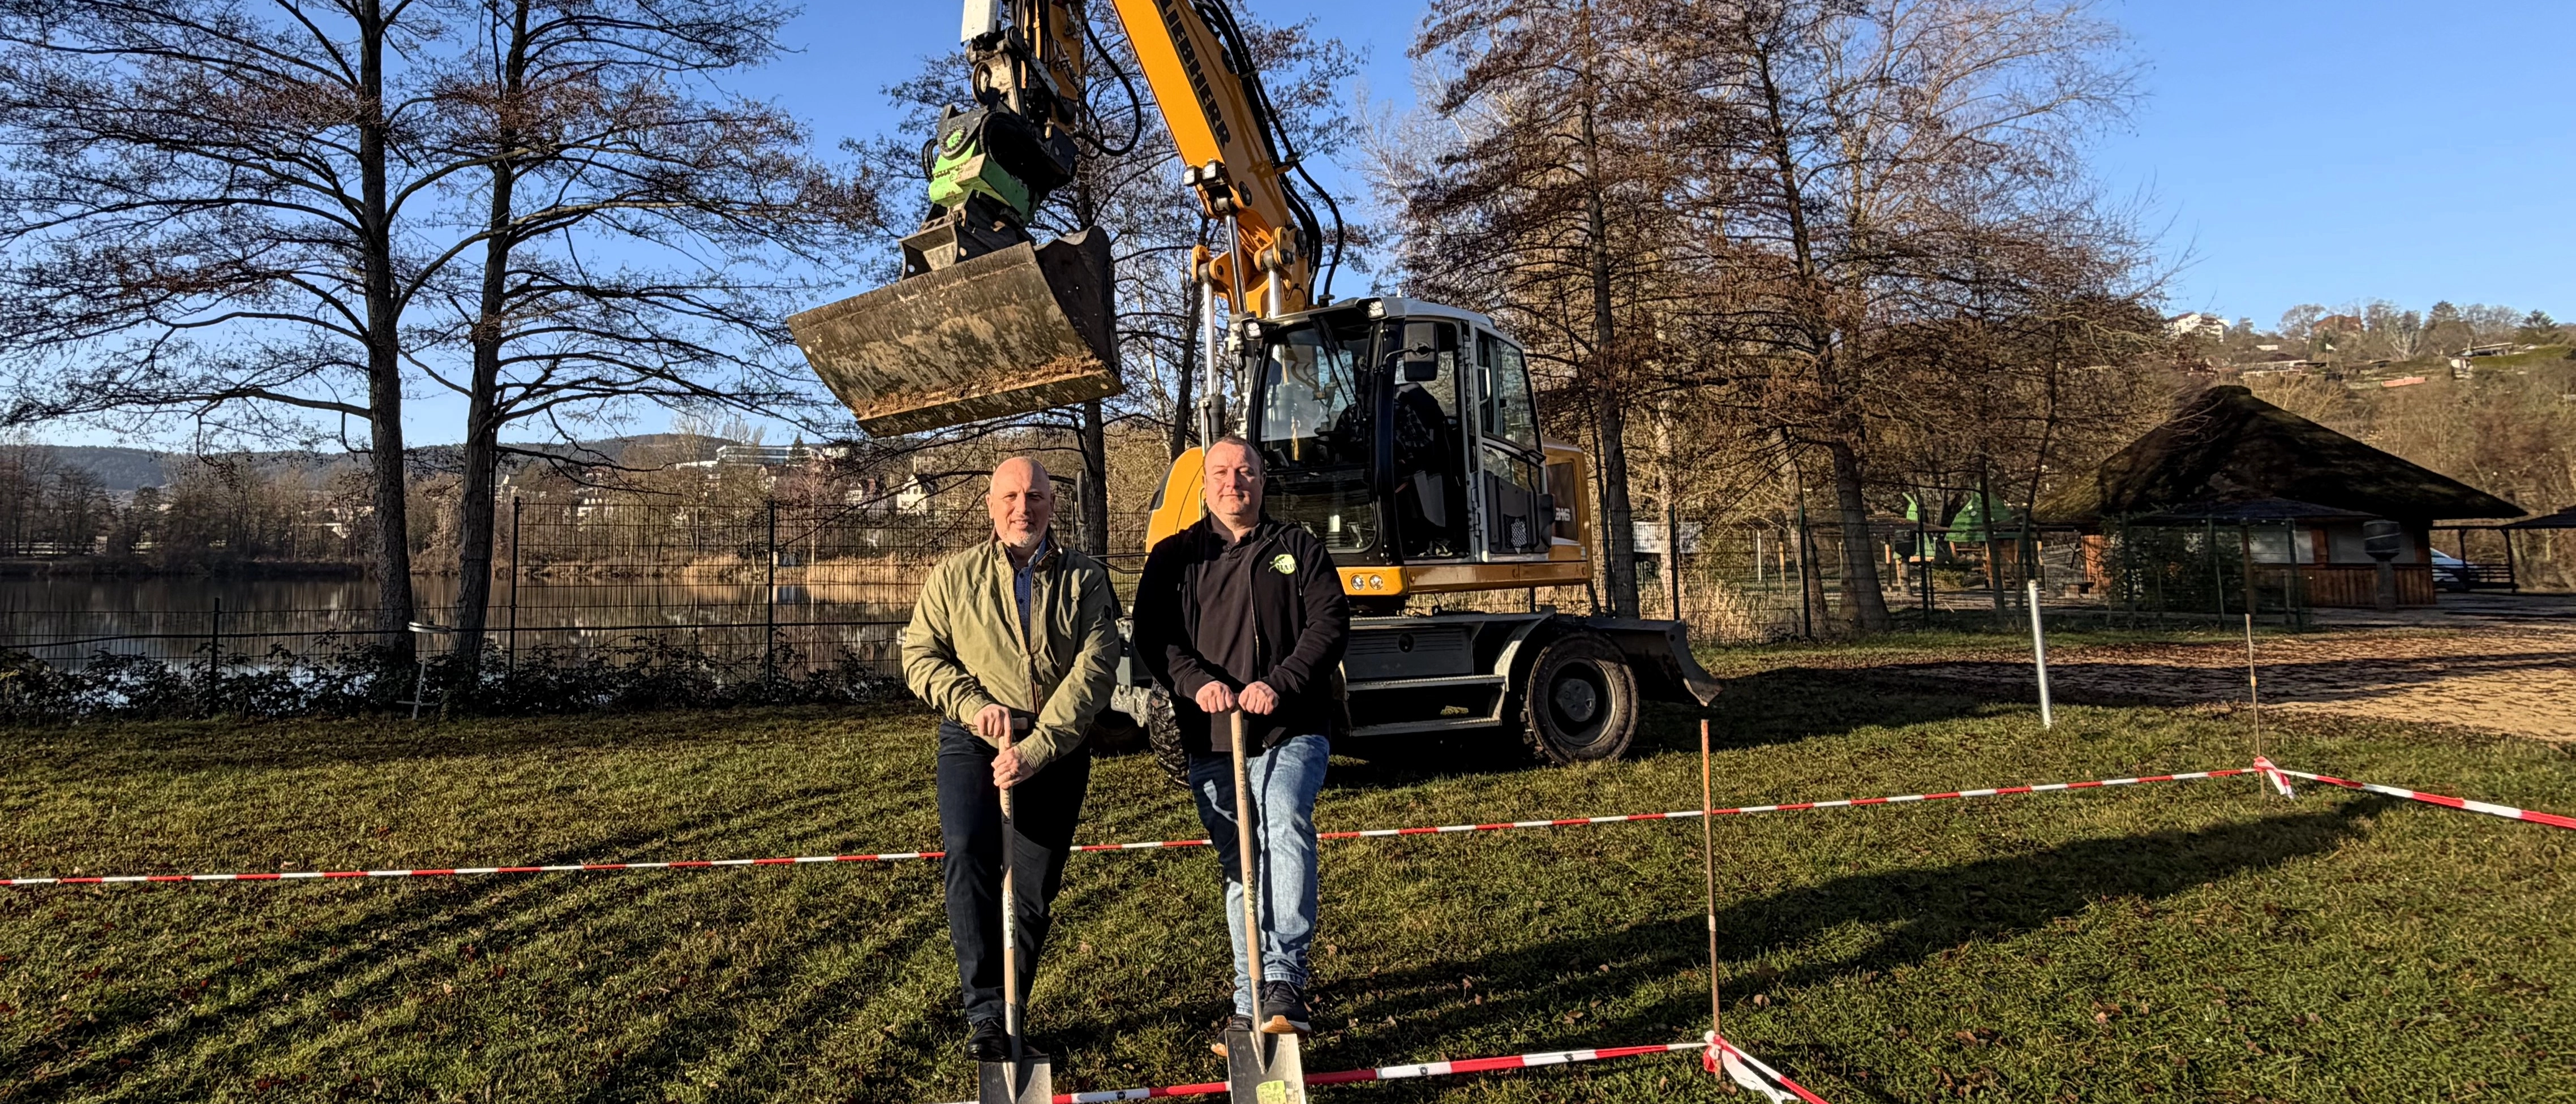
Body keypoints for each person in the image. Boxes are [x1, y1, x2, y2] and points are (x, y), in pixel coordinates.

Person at [903, 456, 1123, 1061]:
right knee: (968, 851)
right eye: (1010, 496)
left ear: (1054, 504)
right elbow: (920, 656)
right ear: (989, 503)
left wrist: (1039, 746)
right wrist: (974, 706)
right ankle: (983, 1016)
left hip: (1055, 745)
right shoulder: (954, 576)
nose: (1022, 507)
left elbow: (1096, 667)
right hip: (973, 740)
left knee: (1030, 888)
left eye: (1035, 496)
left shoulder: (1085, 578)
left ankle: (1009, 1012)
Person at [1134, 436, 1351, 1039]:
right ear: (1205, 484)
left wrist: (1279, 683)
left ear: (1262, 481)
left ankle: (1282, 976)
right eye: (1224, 472)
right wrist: (1194, 682)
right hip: (1212, 735)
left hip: (1291, 725)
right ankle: (1248, 990)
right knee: (1240, 861)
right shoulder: (1174, 556)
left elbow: (1330, 623)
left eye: (1247, 471)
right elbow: (1153, 635)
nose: (1236, 482)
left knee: (1281, 816)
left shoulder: (1297, 548)